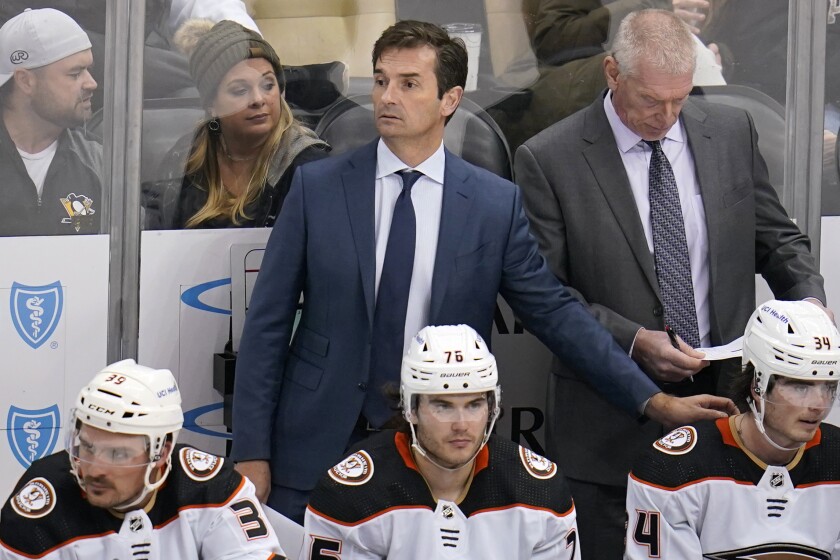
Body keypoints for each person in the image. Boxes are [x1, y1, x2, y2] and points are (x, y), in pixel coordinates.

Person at [231, 19, 735, 525]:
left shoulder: (493, 205)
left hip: (442, 454)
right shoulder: (317, 189)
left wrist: (652, 400)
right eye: (382, 80)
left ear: (450, 99)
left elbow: (555, 313)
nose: (387, 96)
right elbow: (267, 327)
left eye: (409, 84)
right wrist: (252, 451)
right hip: (316, 446)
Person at [513, 9, 831, 559]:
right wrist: (636, 339)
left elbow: (778, 240)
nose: (666, 116)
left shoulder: (730, 132)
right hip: (610, 426)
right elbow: (549, 298)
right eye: (650, 101)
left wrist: (811, 309)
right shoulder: (549, 158)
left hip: (732, 417)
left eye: (679, 100)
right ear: (612, 73)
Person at [303, 324, 582, 559]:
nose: (461, 424)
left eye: (474, 405)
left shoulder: (539, 491)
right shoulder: (351, 495)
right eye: (443, 406)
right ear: (410, 408)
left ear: (492, 407)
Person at [0, 359, 286, 559]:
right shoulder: (39, 508)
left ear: (161, 452)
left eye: (118, 454)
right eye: (87, 447)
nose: (94, 469)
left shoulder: (212, 488)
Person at [625, 300, 840, 559]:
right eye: (800, 386)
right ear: (757, 385)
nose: (819, 404)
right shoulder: (672, 471)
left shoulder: (835, 458)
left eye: (828, 386)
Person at [142, 19, 330, 230]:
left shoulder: (309, 165)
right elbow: (155, 228)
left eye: (268, 85)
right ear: (212, 105)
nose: (259, 99)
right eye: (240, 90)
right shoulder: (187, 155)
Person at [0, 8, 102, 236]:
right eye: (75, 74)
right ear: (25, 81)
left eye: (89, 70)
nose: (91, 83)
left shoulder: (101, 163)